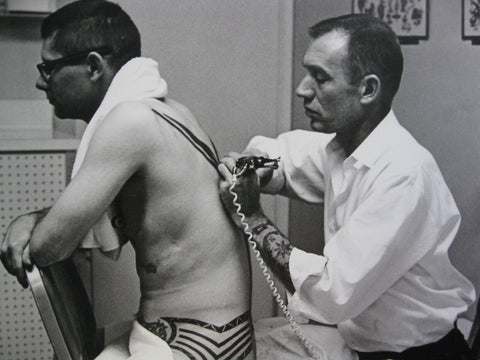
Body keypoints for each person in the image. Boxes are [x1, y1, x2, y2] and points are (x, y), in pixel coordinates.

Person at [0, 1, 254, 359]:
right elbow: (70, 221)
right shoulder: (169, 110)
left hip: (204, 341)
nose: (41, 81)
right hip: (187, 329)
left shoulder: (130, 122)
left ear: (93, 66)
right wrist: (34, 218)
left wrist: (32, 223)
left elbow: (47, 248)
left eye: (49, 67)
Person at [219, 14, 476, 360]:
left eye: (320, 78)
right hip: (360, 343)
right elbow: (283, 153)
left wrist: (253, 218)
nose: (302, 89)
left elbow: (330, 292)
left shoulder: (403, 173)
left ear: (368, 90)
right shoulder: (344, 148)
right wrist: (254, 166)